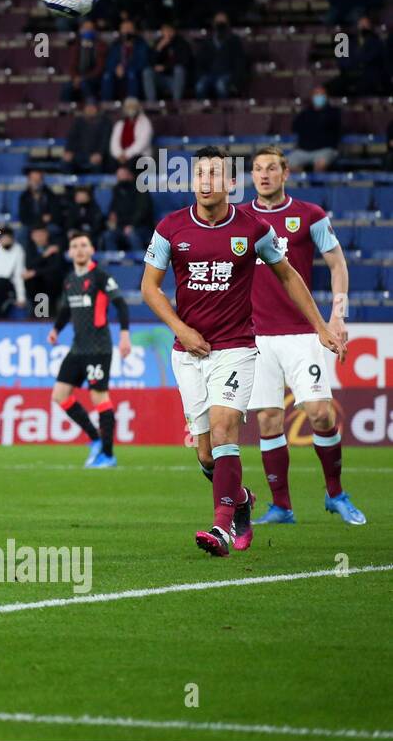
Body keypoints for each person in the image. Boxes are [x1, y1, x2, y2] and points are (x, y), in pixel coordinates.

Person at [140, 146, 344, 557]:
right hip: (188, 352)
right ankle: (244, 500)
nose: (207, 181)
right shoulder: (170, 228)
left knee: (223, 429)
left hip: (235, 347)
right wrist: (181, 328)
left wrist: (321, 325)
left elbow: (288, 276)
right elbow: (149, 287)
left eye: (216, 175)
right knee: (205, 454)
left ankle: (221, 528)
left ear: (230, 184)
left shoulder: (252, 230)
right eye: (201, 174)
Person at [242, 146, 364, 527]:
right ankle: (282, 507)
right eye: (258, 169)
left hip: (300, 333)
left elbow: (337, 263)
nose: (264, 175)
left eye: (271, 169)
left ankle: (335, 494)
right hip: (257, 336)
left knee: (320, 413)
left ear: (286, 173)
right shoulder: (240, 218)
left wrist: (336, 316)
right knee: (267, 421)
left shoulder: (309, 215)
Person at [48, 230, 131, 468]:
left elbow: (121, 304)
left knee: (99, 397)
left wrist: (125, 335)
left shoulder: (101, 277)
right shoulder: (69, 280)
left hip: (98, 348)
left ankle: (108, 454)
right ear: (69, 252)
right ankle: (95, 439)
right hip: (77, 348)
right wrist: (56, 329)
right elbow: (65, 309)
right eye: (75, 246)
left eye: (84, 245)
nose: (80, 249)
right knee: (59, 395)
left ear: (92, 249)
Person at [288, 86, 341, 173]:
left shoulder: (334, 112)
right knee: (284, 165)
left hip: (325, 150)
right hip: (304, 151)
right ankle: (305, 181)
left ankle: (318, 185)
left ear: (326, 97)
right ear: (312, 97)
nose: (319, 97)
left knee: (320, 164)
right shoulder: (304, 114)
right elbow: (295, 127)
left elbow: (334, 130)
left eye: (322, 94)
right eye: (316, 94)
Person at [194, 12, 246, 100]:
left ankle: (223, 112)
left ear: (227, 23)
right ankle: (203, 110)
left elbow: (239, 62)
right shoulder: (207, 41)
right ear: (214, 23)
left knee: (220, 85)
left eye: (223, 21)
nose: (220, 24)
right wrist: (201, 75)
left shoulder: (234, 40)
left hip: (228, 74)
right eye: (218, 21)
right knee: (199, 86)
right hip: (210, 74)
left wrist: (236, 81)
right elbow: (200, 61)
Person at [101, 19, 154, 102]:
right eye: (124, 28)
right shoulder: (116, 44)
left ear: (134, 31)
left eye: (129, 28)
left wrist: (126, 68)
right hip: (118, 74)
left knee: (131, 74)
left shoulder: (141, 44)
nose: (127, 31)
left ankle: (131, 104)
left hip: (135, 74)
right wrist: (115, 68)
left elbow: (143, 62)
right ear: (120, 30)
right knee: (107, 75)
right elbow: (109, 62)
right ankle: (106, 104)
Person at [104, 165, 153, 251]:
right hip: (121, 226)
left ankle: (139, 262)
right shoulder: (117, 190)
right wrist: (112, 215)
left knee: (132, 235)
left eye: (123, 174)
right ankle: (113, 262)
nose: (120, 177)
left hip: (140, 226)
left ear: (130, 175)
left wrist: (132, 225)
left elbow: (142, 211)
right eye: (118, 175)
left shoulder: (141, 189)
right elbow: (113, 208)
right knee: (108, 235)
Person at [60, 19, 104, 104]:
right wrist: (76, 77)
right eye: (86, 28)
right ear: (80, 30)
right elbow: (72, 65)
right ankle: (64, 112)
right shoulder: (76, 45)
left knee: (85, 84)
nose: (88, 30)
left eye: (90, 28)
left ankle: (91, 108)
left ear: (94, 31)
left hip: (94, 77)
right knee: (67, 87)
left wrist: (83, 78)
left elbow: (99, 68)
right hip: (78, 77)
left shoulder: (100, 45)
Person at [61, 100, 111, 173]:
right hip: (79, 156)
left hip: (97, 156)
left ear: (97, 108)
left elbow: (105, 141)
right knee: (66, 163)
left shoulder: (105, 123)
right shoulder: (78, 122)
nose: (90, 109)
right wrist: (68, 151)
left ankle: (96, 184)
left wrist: (100, 154)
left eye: (92, 107)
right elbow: (71, 138)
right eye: (88, 107)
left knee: (98, 165)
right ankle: (68, 184)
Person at [150, 22, 193, 102]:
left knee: (179, 70)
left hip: (176, 80)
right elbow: (151, 63)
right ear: (161, 32)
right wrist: (159, 48)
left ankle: (176, 104)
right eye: (165, 31)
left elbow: (184, 62)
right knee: (147, 72)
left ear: (174, 31)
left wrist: (165, 67)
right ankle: (152, 104)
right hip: (161, 79)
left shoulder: (181, 43)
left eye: (170, 30)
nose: (168, 33)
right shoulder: (158, 43)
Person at [109, 96, 152, 170]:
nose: (130, 109)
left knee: (134, 163)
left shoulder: (145, 123)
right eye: (128, 107)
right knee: (109, 162)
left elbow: (142, 143)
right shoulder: (120, 124)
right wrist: (119, 155)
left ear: (138, 107)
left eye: (133, 106)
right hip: (121, 157)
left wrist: (127, 154)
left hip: (139, 156)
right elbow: (114, 142)